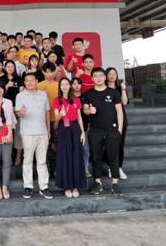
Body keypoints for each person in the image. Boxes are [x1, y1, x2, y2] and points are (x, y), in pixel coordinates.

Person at [82, 68, 124, 196]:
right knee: (96, 157)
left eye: (101, 75)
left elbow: (119, 111)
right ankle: (97, 183)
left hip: (112, 130)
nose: (99, 78)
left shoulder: (113, 92)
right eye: (96, 76)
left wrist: (119, 130)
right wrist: (89, 111)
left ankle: (115, 184)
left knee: (113, 156)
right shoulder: (88, 94)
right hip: (95, 130)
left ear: (105, 77)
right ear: (92, 79)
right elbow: (84, 110)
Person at [15, 73, 53, 200]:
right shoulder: (20, 96)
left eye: (32, 80)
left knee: (42, 160)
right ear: (24, 83)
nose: (30, 82)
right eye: (27, 81)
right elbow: (18, 114)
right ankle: (28, 187)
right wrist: (21, 113)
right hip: (27, 132)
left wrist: (48, 130)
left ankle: (44, 187)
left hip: (42, 132)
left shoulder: (43, 94)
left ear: (37, 81)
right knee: (27, 160)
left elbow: (47, 113)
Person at [53, 78, 87, 198]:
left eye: (67, 84)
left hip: (75, 128)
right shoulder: (57, 100)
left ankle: (76, 186)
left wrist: (82, 132)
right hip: (63, 129)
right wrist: (60, 114)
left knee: (76, 156)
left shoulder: (76, 100)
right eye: (62, 84)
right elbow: (56, 119)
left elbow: (79, 117)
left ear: (70, 86)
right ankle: (67, 186)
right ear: (60, 87)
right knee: (64, 156)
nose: (65, 86)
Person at [0, 60, 24, 165]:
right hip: (4, 108)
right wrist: (7, 86)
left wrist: (18, 110)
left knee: (18, 132)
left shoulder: (19, 79)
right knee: (6, 132)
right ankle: (7, 156)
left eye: (12, 66)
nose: (10, 68)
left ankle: (18, 156)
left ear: (14, 68)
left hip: (16, 108)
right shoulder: (1, 79)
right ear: (5, 68)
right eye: (8, 66)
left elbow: (21, 94)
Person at [105, 67, 129, 180]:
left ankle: (119, 167)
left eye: (114, 74)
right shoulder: (103, 88)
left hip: (121, 121)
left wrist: (123, 89)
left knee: (120, 145)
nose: (112, 76)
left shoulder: (120, 88)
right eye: (109, 74)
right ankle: (111, 167)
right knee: (109, 145)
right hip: (107, 121)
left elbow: (125, 102)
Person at [37, 62, 60, 177]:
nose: (49, 74)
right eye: (47, 72)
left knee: (57, 146)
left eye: (51, 72)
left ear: (55, 72)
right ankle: (47, 170)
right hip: (42, 121)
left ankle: (57, 170)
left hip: (58, 120)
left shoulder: (59, 85)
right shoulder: (38, 85)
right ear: (43, 72)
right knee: (44, 147)